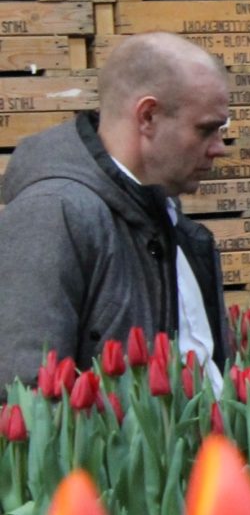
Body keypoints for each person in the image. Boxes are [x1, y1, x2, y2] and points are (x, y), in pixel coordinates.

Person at [0, 32, 230, 390]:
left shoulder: (168, 218)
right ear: (148, 116)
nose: (220, 148)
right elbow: (27, 395)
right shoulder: (53, 215)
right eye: (206, 130)